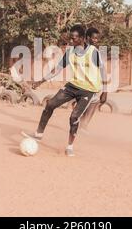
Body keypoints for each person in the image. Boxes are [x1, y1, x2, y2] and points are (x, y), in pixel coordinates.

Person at [27, 24, 107, 157]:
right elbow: (57, 69)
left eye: (74, 38)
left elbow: (103, 70)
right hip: (73, 85)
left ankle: (70, 147)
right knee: (50, 104)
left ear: (82, 38)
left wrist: (105, 91)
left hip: (88, 89)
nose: (71, 41)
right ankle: (38, 134)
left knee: (74, 117)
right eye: (70, 38)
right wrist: (41, 81)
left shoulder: (93, 52)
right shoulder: (70, 52)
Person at [78, 28, 102, 132]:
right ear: (88, 38)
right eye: (94, 38)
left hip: (89, 82)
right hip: (88, 83)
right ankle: (83, 125)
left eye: (97, 38)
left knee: (94, 102)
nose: (96, 40)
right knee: (91, 103)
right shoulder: (93, 51)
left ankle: (83, 124)